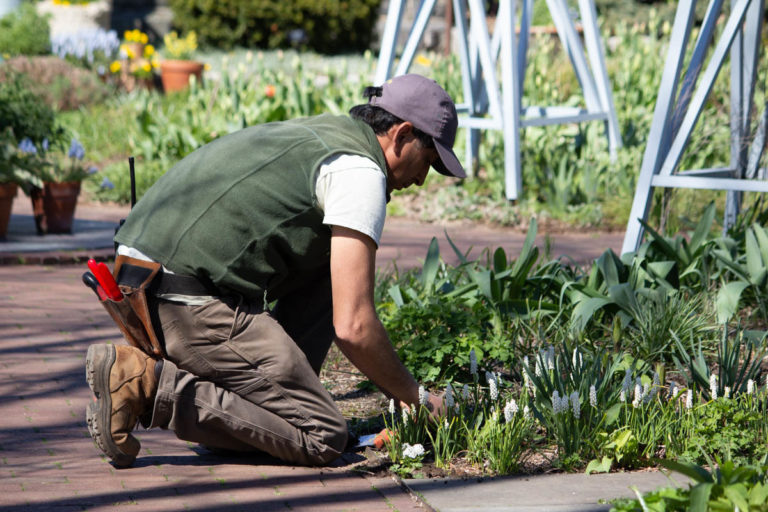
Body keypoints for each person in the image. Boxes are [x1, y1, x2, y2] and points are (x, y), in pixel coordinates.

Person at [84, 73, 466, 468]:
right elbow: (354, 326)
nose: (422, 179)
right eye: (429, 160)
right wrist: (414, 399)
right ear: (402, 134)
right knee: (322, 436)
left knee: (327, 280)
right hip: (180, 297)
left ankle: (270, 403)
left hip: (141, 275)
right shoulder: (360, 173)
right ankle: (144, 385)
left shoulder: (328, 134)